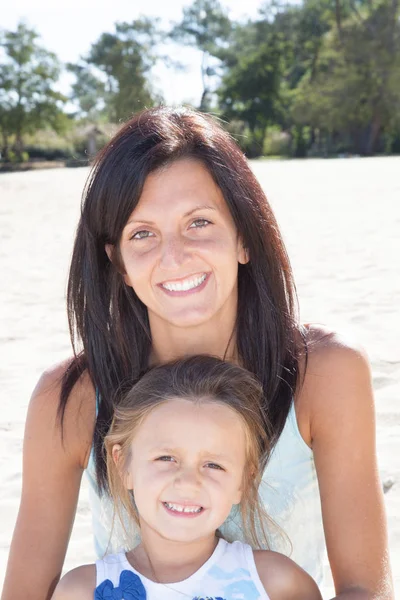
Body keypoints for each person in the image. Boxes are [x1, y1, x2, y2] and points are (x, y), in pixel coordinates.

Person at [2, 106, 393, 600]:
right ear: (117, 262)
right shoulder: (72, 397)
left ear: (245, 238)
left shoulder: (327, 373)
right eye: (142, 233)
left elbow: (365, 589)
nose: (174, 256)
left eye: (199, 223)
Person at [52, 355, 322, 600]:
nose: (188, 482)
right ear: (124, 465)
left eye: (213, 465)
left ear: (243, 481)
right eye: (166, 458)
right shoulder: (81, 591)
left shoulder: (277, 584)